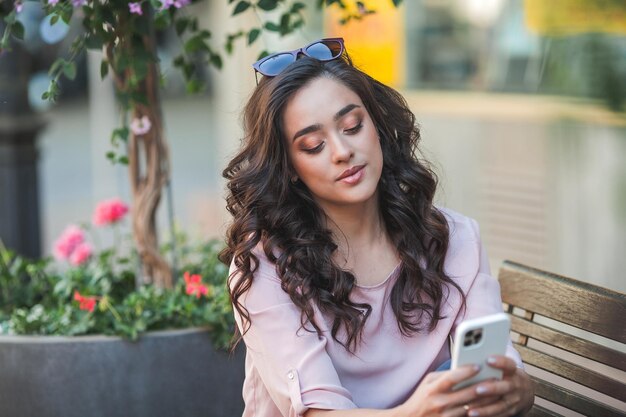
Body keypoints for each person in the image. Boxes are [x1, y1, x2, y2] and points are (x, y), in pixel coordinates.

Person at [219, 37, 534, 417]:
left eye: (352, 126)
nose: (342, 151)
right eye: (314, 145)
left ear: (377, 127)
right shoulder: (265, 265)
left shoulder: (454, 238)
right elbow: (318, 412)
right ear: (289, 169)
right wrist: (414, 413)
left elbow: (497, 361)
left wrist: (513, 389)